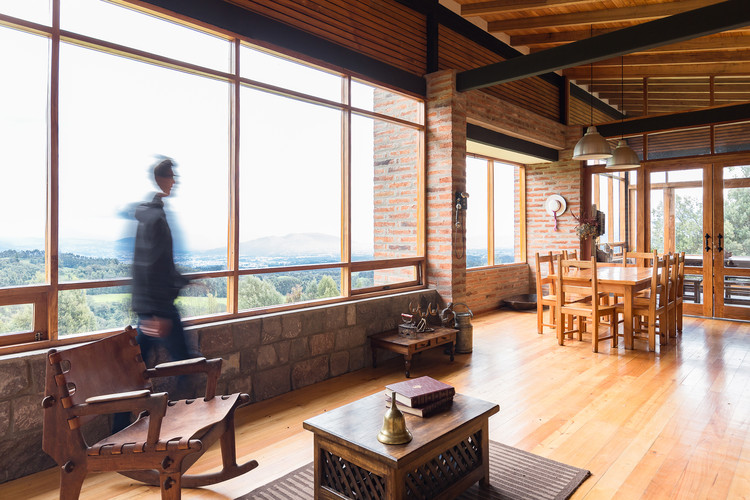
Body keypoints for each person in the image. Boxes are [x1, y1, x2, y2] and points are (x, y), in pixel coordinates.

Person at [113, 157, 198, 433]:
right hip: (159, 308)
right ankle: (183, 423)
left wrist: (188, 280)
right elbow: (149, 265)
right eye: (172, 176)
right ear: (162, 179)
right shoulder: (155, 218)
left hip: (155, 306)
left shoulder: (153, 214)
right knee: (184, 363)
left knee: (139, 369)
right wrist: (154, 312)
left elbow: (160, 264)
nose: (175, 181)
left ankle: (124, 426)